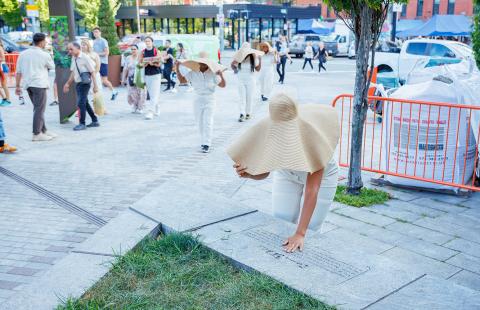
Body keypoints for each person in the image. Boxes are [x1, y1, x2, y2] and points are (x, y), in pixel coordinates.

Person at [228, 93, 340, 253]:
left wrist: (300, 233)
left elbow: (312, 190)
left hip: (323, 178)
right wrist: (250, 175)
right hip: (287, 174)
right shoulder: (270, 133)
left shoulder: (312, 138)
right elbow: (264, 173)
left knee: (311, 228)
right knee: (282, 218)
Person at [176, 52, 226, 153]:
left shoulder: (213, 73)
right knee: (200, 122)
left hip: (210, 99)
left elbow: (223, 85)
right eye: (201, 63)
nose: (202, 65)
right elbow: (182, 81)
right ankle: (204, 141)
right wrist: (177, 68)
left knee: (208, 121)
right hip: (198, 99)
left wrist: (221, 75)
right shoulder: (193, 73)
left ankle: (206, 143)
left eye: (204, 63)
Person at [15, 33, 56, 142]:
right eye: (45, 41)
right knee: (39, 109)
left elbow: (18, 72)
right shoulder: (45, 54)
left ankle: (44, 130)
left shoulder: (23, 54)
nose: (46, 43)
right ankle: (37, 133)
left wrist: (17, 86)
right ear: (42, 42)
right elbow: (52, 66)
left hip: (28, 85)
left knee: (38, 108)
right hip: (39, 84)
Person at [63, 42, 100, 131]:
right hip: (78, 83)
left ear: (78, 48)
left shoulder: (85, 58)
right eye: (68, 49)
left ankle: (82, 123)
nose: (69, 51)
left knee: (81, 103)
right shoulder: (73, 58)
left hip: (85, 83)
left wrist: (95, 86)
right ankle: (95, 120)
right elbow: (73, 72)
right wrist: (67, 83)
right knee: (85, 103)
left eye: (71, 49)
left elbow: (92, 72)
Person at [231, 43, 263, 122]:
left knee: (249, 97)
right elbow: (232, 65)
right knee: (241, 97)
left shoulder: (253, 57)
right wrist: (235, 69)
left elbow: (258, 69)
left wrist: (260, 59)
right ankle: (242, 113)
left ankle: (248, 113)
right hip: (240, 80)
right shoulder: (239, 57)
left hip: (251, 80)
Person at [139, 36, 162, 120]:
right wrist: (144, 64)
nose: (147, 42)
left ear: (152, 42)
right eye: (146, 41)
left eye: (149, 41)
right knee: (152, 93)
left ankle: (150, 112)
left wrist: (153, 64)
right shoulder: (142, 52)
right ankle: (157, 107)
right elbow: (139, 63)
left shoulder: (156, 51)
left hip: (156, 74)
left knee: (154, 93)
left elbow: (159, 64)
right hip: (147, 74)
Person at [92, 27, 118, 100]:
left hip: (103, 62)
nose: (95, 33)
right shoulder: (93, 42)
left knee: (104, 80)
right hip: (95, 63)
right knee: (95, 79)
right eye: (94, 32)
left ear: (100, 32)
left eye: (97, 32)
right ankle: (97, 96)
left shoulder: (103, 41)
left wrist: (96, 54)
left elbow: (107, 53)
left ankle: (114, 91)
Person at [81, 39, 105, 114]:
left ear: (88, 46)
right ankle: (82, 109)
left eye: (84, 44)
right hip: (84, 76)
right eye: (81, 45)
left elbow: (98, 66)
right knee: (84, 92)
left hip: (94, 75)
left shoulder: (94, 54)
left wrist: (93, 74)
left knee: (97, 91)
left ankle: (100, 108)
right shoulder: (80, 55)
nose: (82, 46)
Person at [122, 44, 146, 114]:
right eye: (132, 49)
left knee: (141, 92)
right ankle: (135, 105)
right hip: (131, 77)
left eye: (134, 49)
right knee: (132, 93)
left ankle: (140, 107)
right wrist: (123, 79)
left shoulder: (140, 57)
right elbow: (125, 69)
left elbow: (144, 66)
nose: (133, 50)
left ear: (137, 50)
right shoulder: (128, 58)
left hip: (139, 77)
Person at [0, 41, 11, 106]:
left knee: (4, 84)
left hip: (2, 67)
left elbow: (3, 58)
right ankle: (4, 98)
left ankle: (8, 100)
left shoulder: (0, 47)